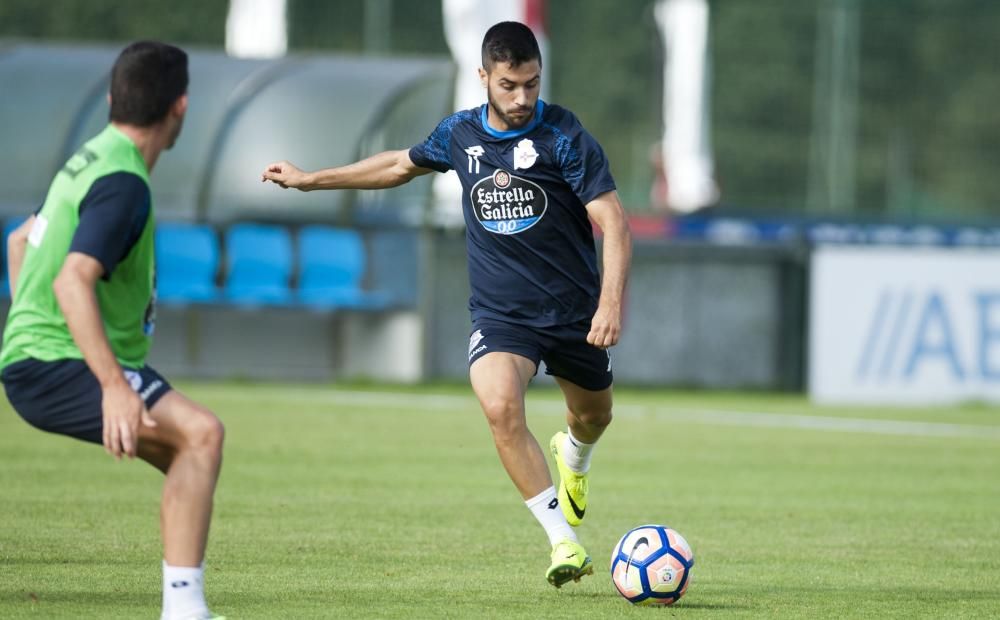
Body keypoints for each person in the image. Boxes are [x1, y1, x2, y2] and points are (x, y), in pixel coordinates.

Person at [261, 21, 631, 588]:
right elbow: (397, 165)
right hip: (502, 317)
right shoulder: (458, 134)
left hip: (574, 313)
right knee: (500, 405)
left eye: (532, 84)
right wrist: (314, 180)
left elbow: (613, 221)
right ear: (483, 76)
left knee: (594, 416)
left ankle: (574, 457)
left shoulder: (564, 136)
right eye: (509, 85)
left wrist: (609, 305)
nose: (522, 98)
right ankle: (564, 542)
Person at [1, 42, 225, 620]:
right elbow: (73, 281)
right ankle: (185, 611)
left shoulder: (88, 157)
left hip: (37, 357)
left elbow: (20, 240)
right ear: (180, 107)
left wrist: (23, 336)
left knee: (188, 451)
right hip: (59, 362)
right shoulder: (124, 181)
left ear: (111, 99)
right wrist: (113, 387)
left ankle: (184, 607)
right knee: (201, 435)